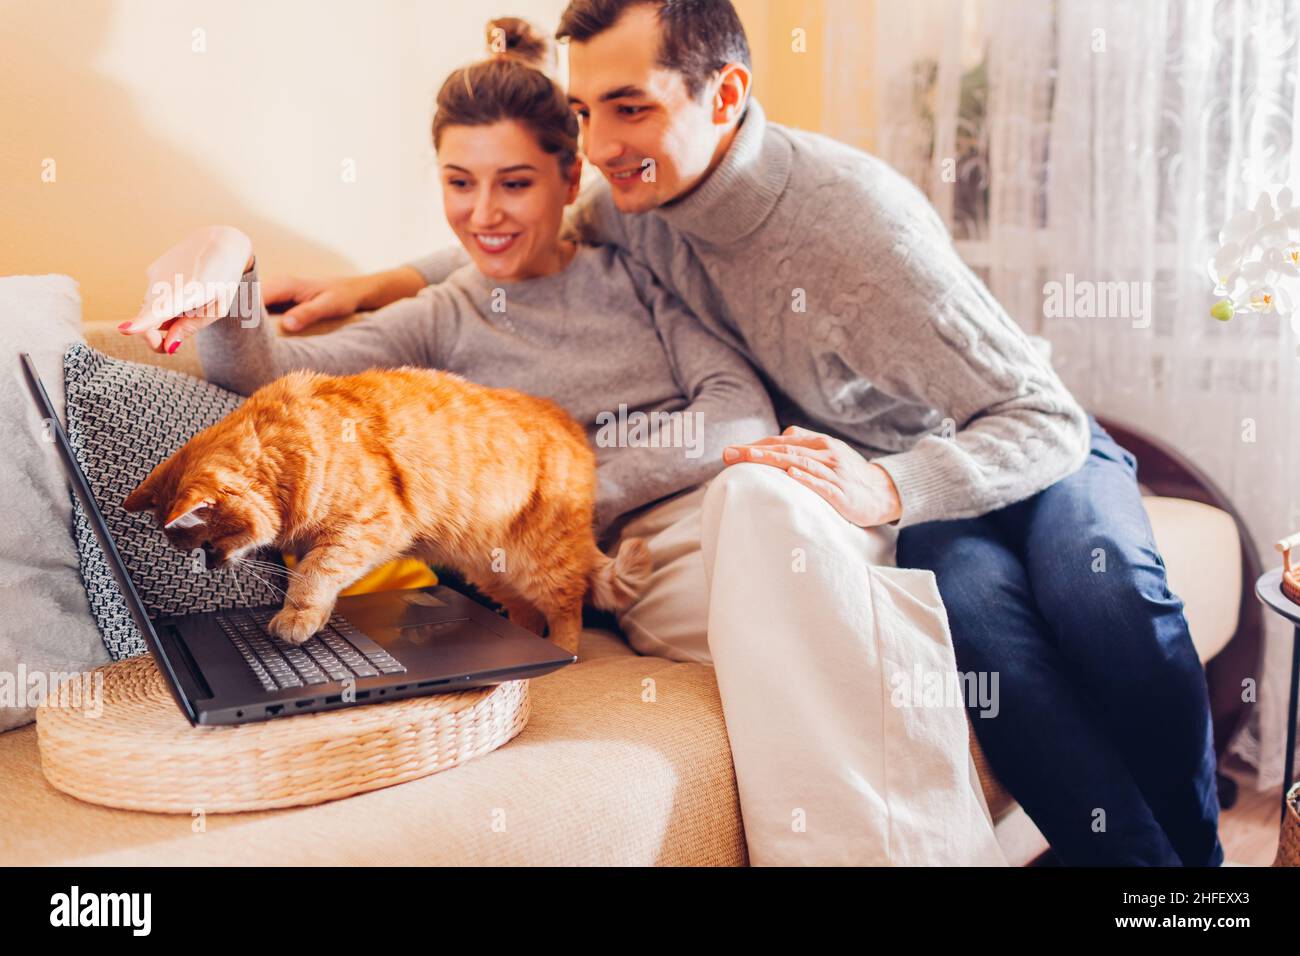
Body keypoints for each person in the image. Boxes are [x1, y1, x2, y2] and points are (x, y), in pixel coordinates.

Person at [273, 1, 1224, 867]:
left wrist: (892, 488)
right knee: (985, 628)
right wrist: (381, 281)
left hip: (1018, 445)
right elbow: (522, 231)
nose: (599, 144)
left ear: (724, 95)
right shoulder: (642, 205)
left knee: (1099, 596)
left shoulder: (855, 225)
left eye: (629, 108)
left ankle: (1203, 872)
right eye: (586, 110)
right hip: (898, 484)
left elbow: (1040, 414)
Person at [119, 14, 1009, 866]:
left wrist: (563, 478)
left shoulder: (635, 271)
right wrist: (232, 265)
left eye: (514, 182)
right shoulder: (440, 318)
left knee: (773, 525)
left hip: (729, 500)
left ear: (570, 176)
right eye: (458, 183)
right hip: (637, 557)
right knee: (808, 603)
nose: (484, 214)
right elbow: (267, 381)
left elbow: (740, 417)